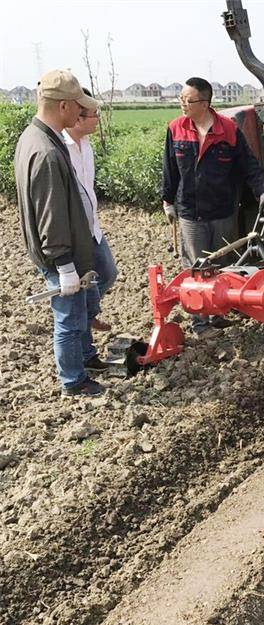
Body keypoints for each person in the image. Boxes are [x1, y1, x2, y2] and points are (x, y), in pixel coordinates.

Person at [14, 69, 108, 397]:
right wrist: (64, 264)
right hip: (60, 254)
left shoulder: (34, 137)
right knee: (68, 320)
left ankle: (87, 358)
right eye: (78, 105)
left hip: (68, 249)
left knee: (81, 309)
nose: (81, 112)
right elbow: (50, 214)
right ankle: (74, 381)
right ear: (64, 106)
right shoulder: (48, 151)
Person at [162, 76, 264, 337]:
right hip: (190, 211)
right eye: (181, 99)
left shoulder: (228, 129)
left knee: (221, 263)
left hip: (223, 209)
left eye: (187, 100)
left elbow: (248, 164)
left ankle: (215, 314)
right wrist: (168, 201)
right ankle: (200, 324)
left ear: (204, 103)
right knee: (196, 266)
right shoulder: (176, 128)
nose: (182, 104)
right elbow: (169, 169)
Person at [63, 87, 118, 332]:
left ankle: (88, 313)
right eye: (94, 114)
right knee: (85, 284)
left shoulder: (86, 146)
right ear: (78, 117)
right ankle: (85, 321)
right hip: (74, 234)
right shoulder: (60, 149)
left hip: (92, 226)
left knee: (107, 272)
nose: (98, 119)